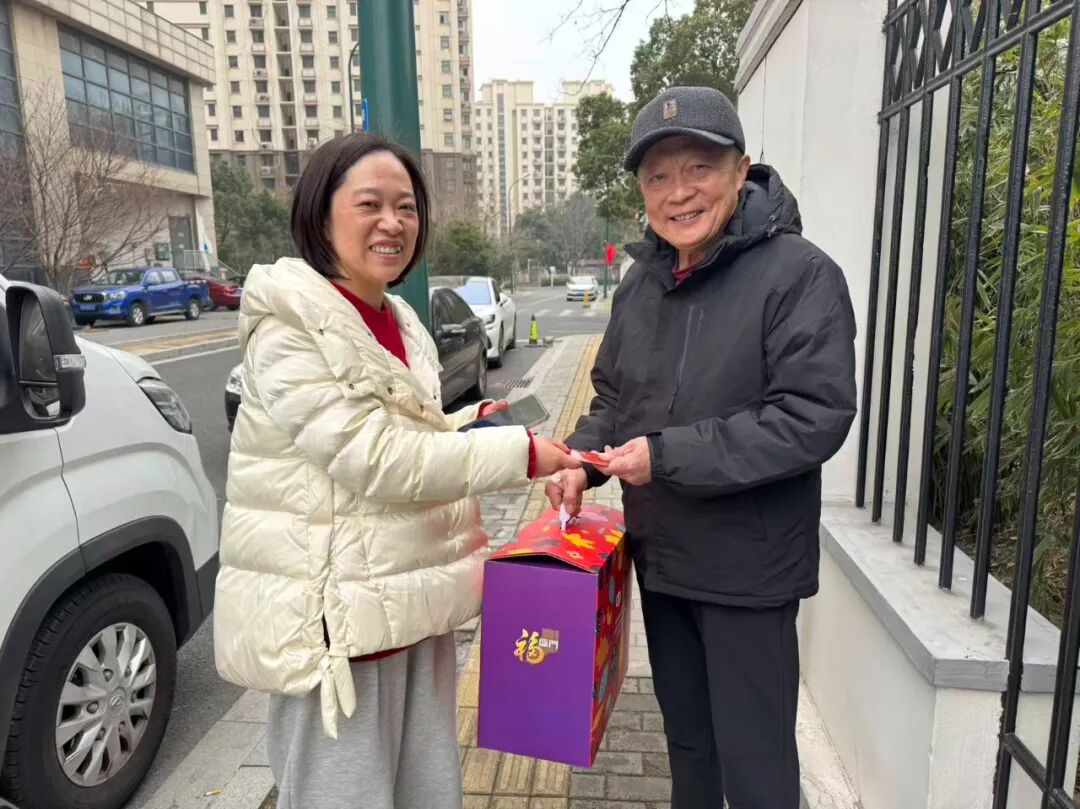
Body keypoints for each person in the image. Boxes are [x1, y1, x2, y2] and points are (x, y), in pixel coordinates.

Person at [214, 133, 580, 809]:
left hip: (413, 606)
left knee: (426, 793)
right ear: (322, 214)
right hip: (339, 632)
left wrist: (473, 425)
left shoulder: (401, 317)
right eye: (370, 204)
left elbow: (411, 436)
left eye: (406, 207)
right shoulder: (289, 327)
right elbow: (374, 458)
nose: (392, 222)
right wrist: (521, 455)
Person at [547, 86, 857, 809]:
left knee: (756, 763)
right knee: (688, 744)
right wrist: (579, 461)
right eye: (658, 175)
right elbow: (615, 398)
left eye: (699, 168)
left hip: (750, 572)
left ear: (741, 169)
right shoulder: (640, 286)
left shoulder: (799, 274)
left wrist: (665, 456)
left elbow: (813, 415)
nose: (678, 192)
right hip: (664, 561)